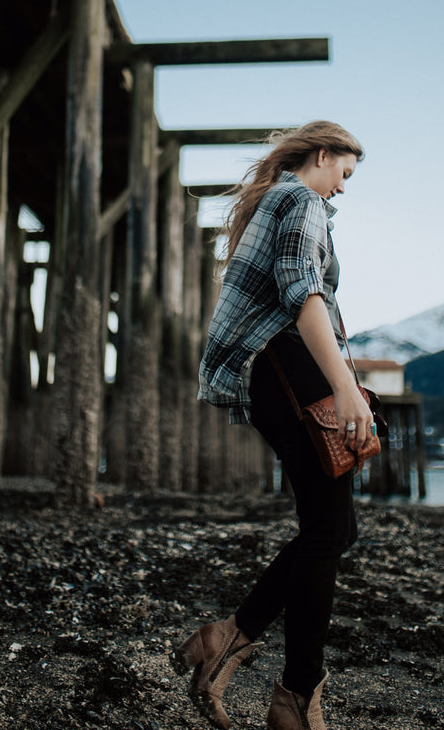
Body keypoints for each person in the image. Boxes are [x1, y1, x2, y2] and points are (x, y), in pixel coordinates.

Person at [171, 120, 374, 730]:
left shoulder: (277, 202)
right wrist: (345, 388)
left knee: (334, 527)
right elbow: (303, 294)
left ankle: (227, 641)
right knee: (327, 529)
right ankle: (295, 696)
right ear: (321, 155)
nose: (342, 189)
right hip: (289, 364)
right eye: (344, 172)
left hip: (268, 373)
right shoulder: (297, 198)